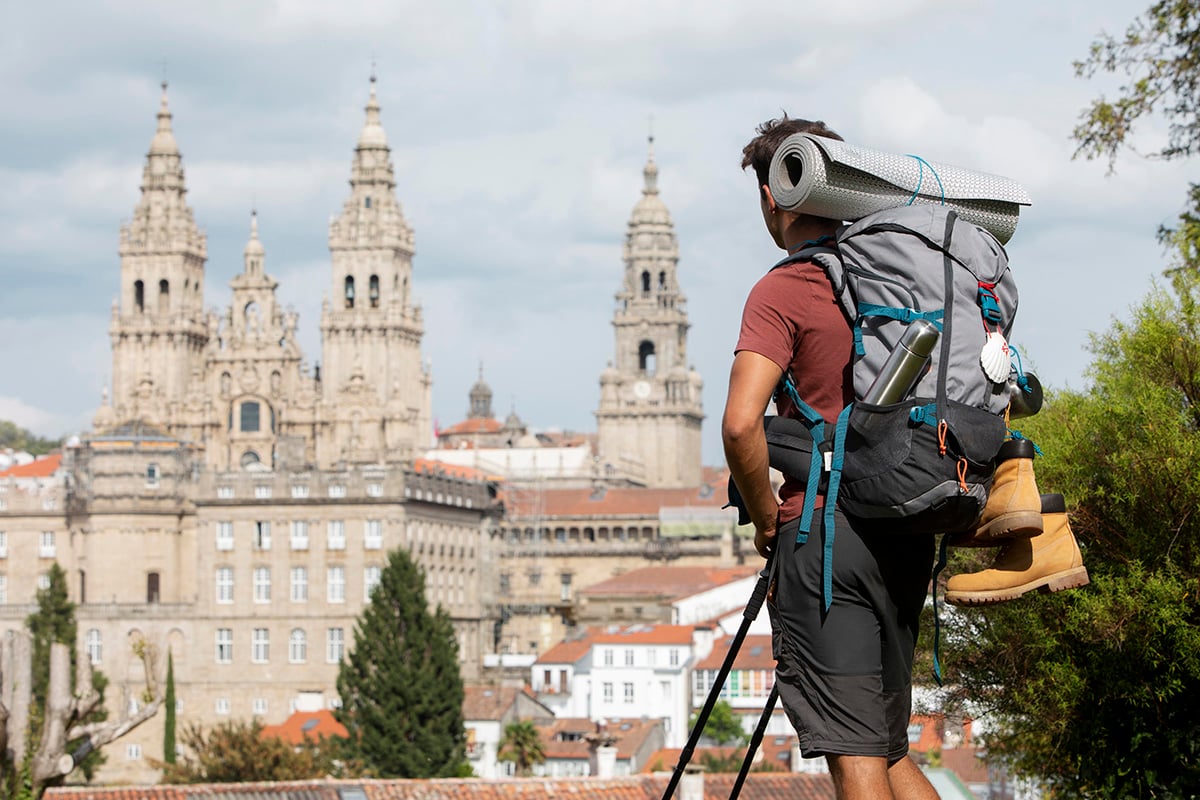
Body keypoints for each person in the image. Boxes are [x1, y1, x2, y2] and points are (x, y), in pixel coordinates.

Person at [722, 115, 939, 800]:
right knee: (888, 748)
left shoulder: (785, 289)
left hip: (825, 538)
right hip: (905, 527)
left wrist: (763, 516)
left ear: (771, 196)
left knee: (854, 757)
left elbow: (739, 427)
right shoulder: (897, 281)